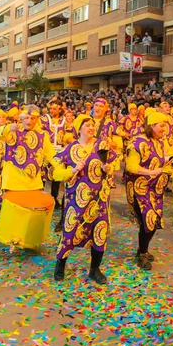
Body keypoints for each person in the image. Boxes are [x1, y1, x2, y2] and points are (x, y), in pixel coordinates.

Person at [53, 115, 116, 284]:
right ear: (79, 128)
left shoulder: (102, 145)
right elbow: (56, 173)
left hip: (99, 198)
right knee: (70, 231)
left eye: (92, 125)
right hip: (76, 200)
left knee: (99, 232)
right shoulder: (71, 148)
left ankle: (95, 270)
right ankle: (60, 264)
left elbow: (113, 165)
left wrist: (108, 168)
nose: (91, 127)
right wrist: (73, 169)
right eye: (87, 125)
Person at [0, 105, 57, 230]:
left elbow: (52, 156)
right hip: (12, 182)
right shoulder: (13, 131)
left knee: (29, 215)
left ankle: (23, 238)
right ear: (21, 118)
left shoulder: (42, 135)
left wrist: (66, 169)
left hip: (32, 183)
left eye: (33, 118)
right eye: (27, 118)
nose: (29, 121)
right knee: (0, 211)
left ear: (37, 119)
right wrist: (7, 128)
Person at [125, 112, 172, 270]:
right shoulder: (137, 142)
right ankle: (142, 254)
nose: (164, 129)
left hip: (154, 189)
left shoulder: (159, 142)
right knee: (148, 222)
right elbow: (130, 166)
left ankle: (141, 250)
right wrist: (150, 172)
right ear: (152, 125)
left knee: (154, 221)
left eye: (165, 126)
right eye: (161, 125)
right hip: (139, 189)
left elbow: (159, 160)